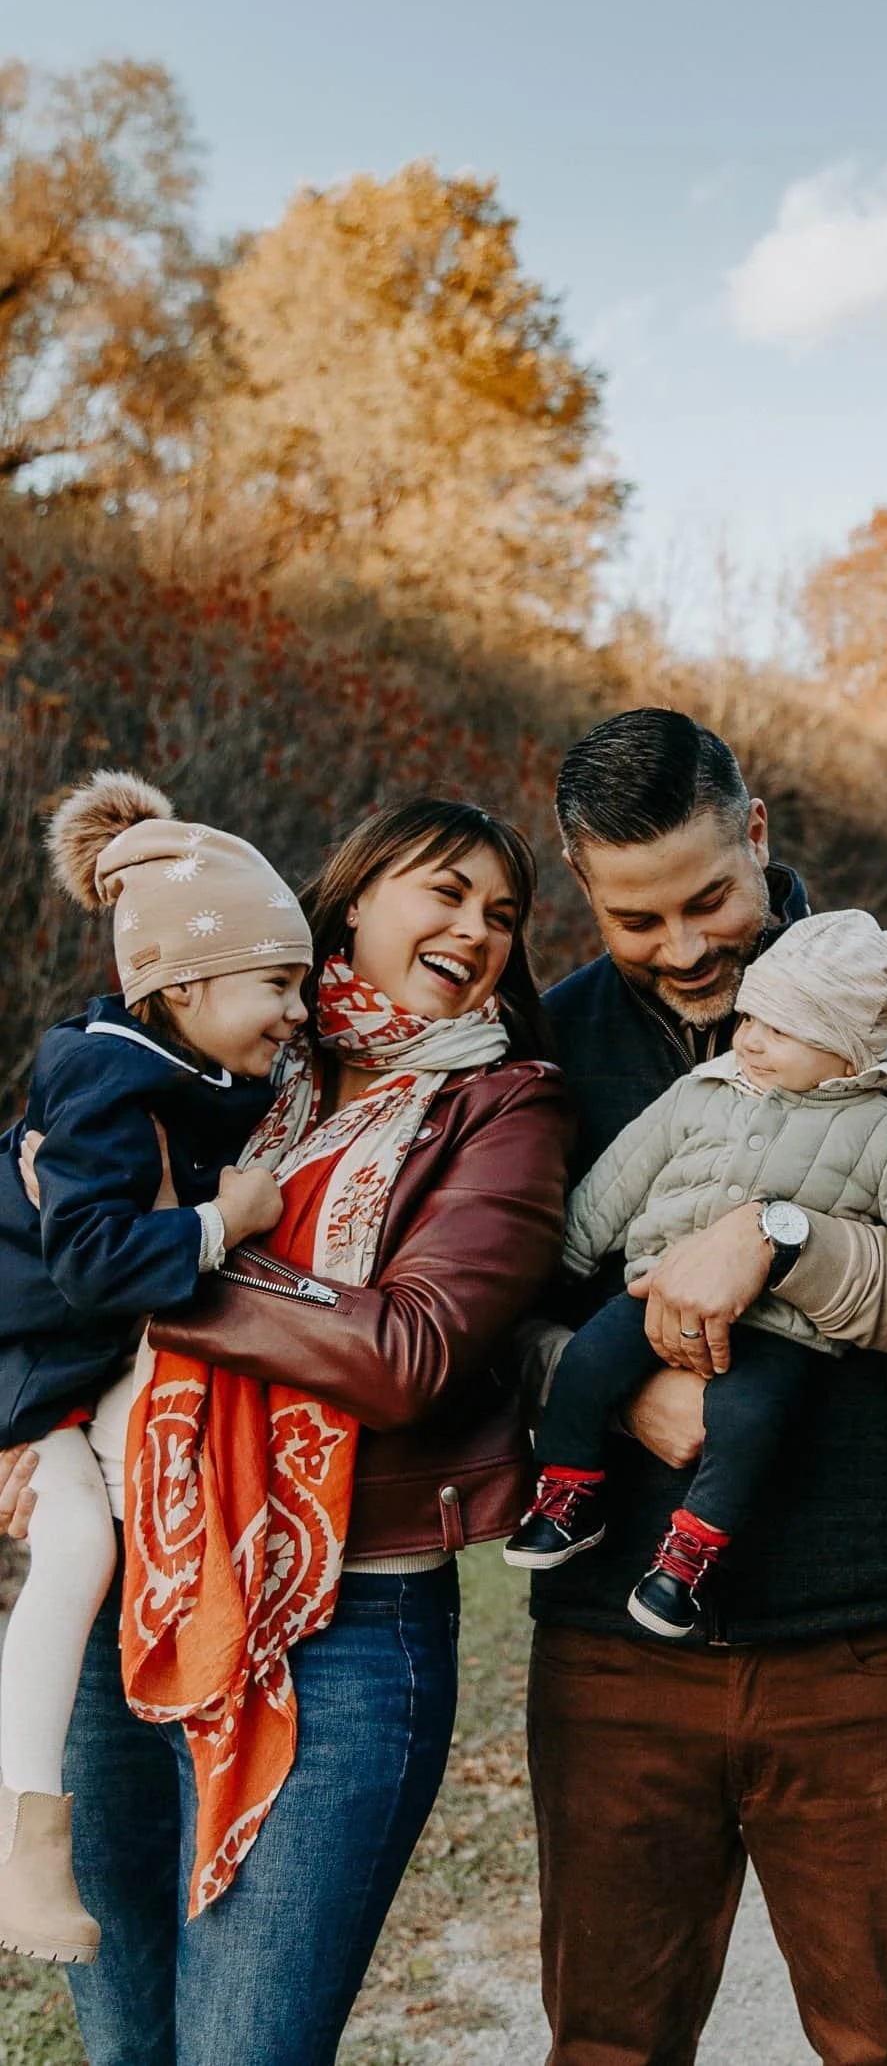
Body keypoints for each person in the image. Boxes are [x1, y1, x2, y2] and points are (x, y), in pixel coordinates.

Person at [14, 796, 570, 2066]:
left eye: (503, 914)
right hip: (137, 1592)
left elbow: (409, 1352)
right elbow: (44, 1237)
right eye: (445, 890)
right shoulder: (223, 1055)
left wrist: (180, 1250)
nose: (476, 928)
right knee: (124, 2043)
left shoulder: (504, 1106)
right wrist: (24, 1408)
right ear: (353, 898)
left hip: (346, 1630)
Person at [524, 709, 887, 2066]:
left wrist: (789, 1244)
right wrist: (612, 1392)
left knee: (883, 2042)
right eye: (636, 917)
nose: (684, 948)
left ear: (760, 833)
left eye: (710, 898)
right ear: (580, 884)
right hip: (612, 1647)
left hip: (864, 1628)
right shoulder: (547, 1047)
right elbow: (496, 1313)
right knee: (607, 2042)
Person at [0, 771, 311, 1966]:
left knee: (86, 1536)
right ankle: (29, 1840)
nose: (298, 1011)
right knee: (75, 1541)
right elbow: (85, 1258)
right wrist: (223, 1224)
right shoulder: (104, 1070)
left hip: (54, 1357)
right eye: (277, 986)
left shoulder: (180, 1061)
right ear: (185, 982)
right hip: (23, 1344)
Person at [508, 909, 887, 1637]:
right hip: (657, 1291)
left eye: (780, 1032)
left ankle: (687, 1562)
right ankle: (568, 1495)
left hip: (782, 1329)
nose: (748, 1040)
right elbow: (618, 1180)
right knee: (586, 1363)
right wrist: (558, 1261)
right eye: (750, 1020)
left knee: (748, 1425)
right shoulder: (703, 1092)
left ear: (847, 1054)